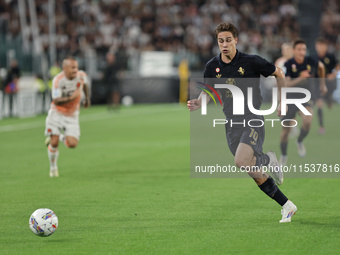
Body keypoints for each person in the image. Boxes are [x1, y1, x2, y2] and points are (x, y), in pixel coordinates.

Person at [187, 22, 297, 223]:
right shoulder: (212, 66)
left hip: (252, 119)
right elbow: (209, 90)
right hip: (231, 123)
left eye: (228, 40)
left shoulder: (251, 61)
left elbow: (279, 73)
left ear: (236, 40)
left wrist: (283, 101)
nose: (225, 44)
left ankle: (268, 164)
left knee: (240, 160)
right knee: (251, 169)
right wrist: (199, 102)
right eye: (221, 41)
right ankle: (286, 204)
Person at [279, 39, 327, 165]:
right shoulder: (288, 64)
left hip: (305, 97)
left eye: (304, 49)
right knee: (285, 132)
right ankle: (284, 155)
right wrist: (300, 78)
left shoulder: (310, 60)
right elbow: (286, 84)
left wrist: (322, 85)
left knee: (308, 120)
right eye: (299, 49)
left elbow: (321, 67)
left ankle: (299, 141)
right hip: (289, 98)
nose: (302, 52)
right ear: (294, 50)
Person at [44, 57, 90, 177]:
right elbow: (56, 100)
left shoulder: (81, 75)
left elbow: (85, 85)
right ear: (65, 68)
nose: (76, 70)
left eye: (77, 67)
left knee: (73, 144)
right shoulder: (58, 80)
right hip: (57, 113)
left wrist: (87, 99)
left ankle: (60, 137)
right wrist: (72, 98)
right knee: (53, 143)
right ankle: (53, 168)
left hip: (73, 115)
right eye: (73, 67)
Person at [314, 37, 339, 134]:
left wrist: (333, 74)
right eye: (318, 45)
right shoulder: (314, 58)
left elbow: (337, 66)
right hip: (318, 83)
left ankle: (329, 98)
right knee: (319, 103)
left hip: (329, 83)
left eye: (322, 45)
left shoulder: (330, 56)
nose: (320, 48)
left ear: (325, 46)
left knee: (328, 100)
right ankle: (321, 126)